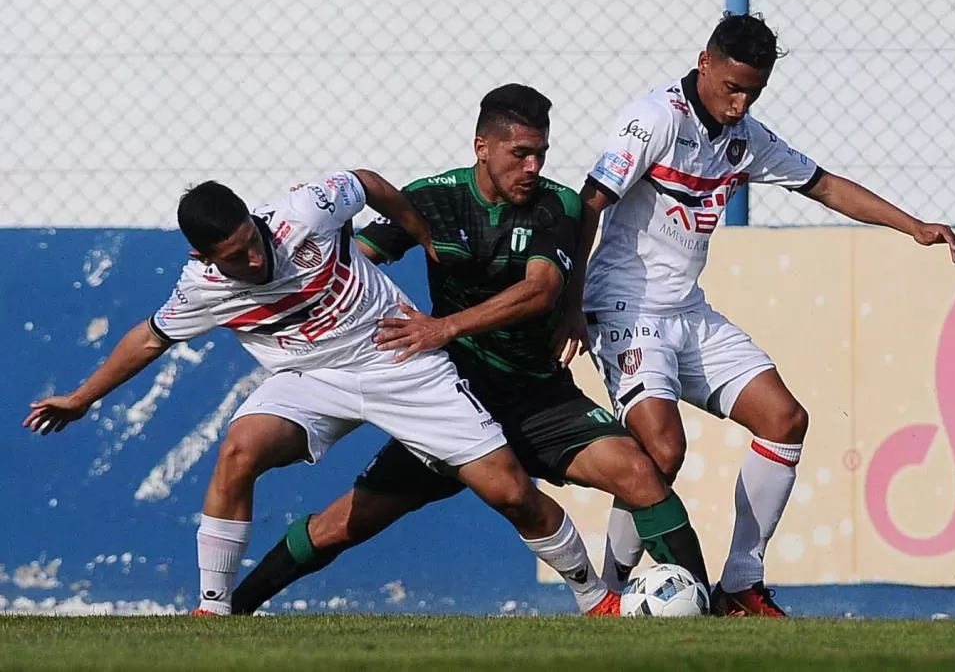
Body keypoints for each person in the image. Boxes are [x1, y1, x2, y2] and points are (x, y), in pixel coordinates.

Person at [23, 168, 612, 617]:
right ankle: (212, 611)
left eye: (252, 238)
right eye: (235, 256)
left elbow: (368, 183)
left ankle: (597, 599)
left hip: (398, 359)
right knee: (239, 450)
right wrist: (81, 398)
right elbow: (148, 340)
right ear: (202, 257)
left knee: (510, 492)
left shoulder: (303, 211)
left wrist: (423, 234)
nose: (256, 256)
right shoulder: (200, 287)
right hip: (311, 380)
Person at [229, 83, 710, 616]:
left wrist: (445, 327)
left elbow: (540, 290)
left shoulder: (558, 204)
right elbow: (359, 258)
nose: (533, 166)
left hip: (539, 397)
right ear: (483, 146)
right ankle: (232, 607)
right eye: (520, 153)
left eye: (541, 153)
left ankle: (701, 611)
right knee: (340, 525)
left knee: (641, 474)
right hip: (450, 403)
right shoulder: (434, 199)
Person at [558, 12, 955, 617]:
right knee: (661, 451)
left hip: (688, 311)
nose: (739, 103)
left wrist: (913, 226)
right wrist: (569, 303)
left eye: (753, 91)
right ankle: (609, 598)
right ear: (705, 63)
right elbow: (589, 203)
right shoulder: (655, 120)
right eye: (731, 88)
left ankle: (741, 583)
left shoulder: (745, 138)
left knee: (785, 418)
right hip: (624, 307)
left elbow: (823, 185)